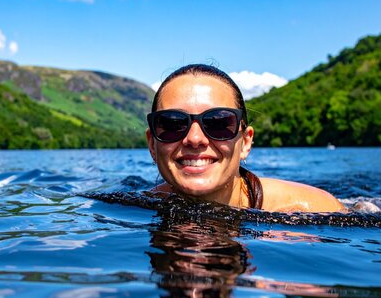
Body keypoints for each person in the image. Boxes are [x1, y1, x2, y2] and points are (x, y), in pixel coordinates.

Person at [146, 64, 346, 212]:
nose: (195, 138)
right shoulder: (133, 208)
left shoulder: (315, 209)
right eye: (172, 124)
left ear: (246, 142)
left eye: (218, 123)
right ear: (152, 145)